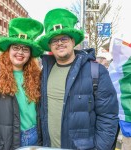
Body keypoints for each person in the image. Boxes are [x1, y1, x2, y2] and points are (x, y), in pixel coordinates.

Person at [37, 8, 119, 150]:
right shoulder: (44, 73)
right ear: (50, 45)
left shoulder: (96, 72)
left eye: (64, 38)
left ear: (73, 41)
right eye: (54, 40)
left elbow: (108, 117)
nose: (59, 43)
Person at [0, 17, 44, 150]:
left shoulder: (37, 76)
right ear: (8, 50)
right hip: (5, 140)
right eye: (16, 47)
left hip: (34, 137)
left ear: (30, 54)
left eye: (25, 49)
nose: (20, 52)